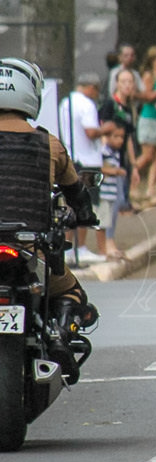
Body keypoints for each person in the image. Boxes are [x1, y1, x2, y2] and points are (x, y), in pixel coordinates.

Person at [0, 57, 100, 380]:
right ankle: (59, 333)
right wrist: (84, 215)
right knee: (72, 293)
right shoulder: (50, 144)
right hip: (31, 254)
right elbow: (77, 193)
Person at [58, 72, 109, 265]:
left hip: (72, 157)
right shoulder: (87, 105)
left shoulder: (65, 102)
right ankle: (82, 247)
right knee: (87, 205)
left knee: (70, 203)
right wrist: (108, 129)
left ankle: (68, 247)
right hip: (88, 160)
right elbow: (91, 131)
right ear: (91, 87)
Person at [98, 68, 139, 216]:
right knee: (109, 199)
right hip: (110, 156)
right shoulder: (110, 104)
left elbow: (129, 138)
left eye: (130, 82)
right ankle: (107, 235)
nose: (127, 85)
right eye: (123, 82)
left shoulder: (129, 108)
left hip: (122, 157)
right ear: (117, 84)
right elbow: (102, 128)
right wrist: (104, 155)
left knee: (121, 197)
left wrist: (134, 165)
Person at [135, 45, 156, 206]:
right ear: (153, 60)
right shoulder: (149, 76)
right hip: (148, 119)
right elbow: (147, 97)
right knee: (147, 155)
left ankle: (151, 188)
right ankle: (132, 182)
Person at [97, 123, 128, 261]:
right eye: (116, 137)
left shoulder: (115, 153)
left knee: (110, 221)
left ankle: (109, 245)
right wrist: (115, 171)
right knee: (102, 223)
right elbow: (100, 168)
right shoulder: (103, 152)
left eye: (122, 137)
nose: (120, 140)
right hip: (104, 193)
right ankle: (103, 250)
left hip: (112, 193)